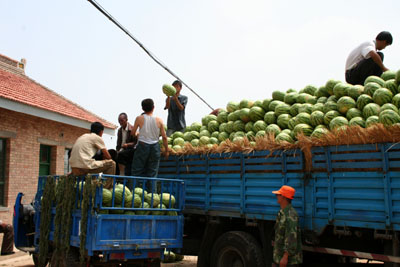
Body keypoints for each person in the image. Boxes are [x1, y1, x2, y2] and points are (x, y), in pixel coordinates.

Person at [131, 99, 168, 190]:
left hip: (142, 146)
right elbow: (164, 137)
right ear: (153, 107)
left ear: (143, 108)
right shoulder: (159, 120)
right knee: (152, 174)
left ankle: (133, 196)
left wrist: (137, 135)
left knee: (136, 171)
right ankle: (152, 198)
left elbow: (132, 133)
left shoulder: (139, 118)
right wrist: (166, 150)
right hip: (155, 147)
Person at [272, 185, 302, 267]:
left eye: (278, 194)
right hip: (279, 258)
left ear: (284, 197)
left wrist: (285, 257)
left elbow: (291, 238)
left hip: (289, 262)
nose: (276, 196)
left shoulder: (291, 215)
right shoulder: (282, 213)